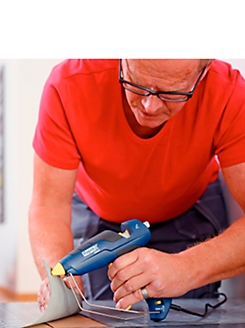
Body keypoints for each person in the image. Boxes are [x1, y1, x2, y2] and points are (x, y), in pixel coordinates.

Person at [29, 59, 245, 313]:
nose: (149, 106)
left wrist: (187, 268)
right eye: (136, 85)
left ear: (203, 74)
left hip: (189, 206)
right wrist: (59, 278)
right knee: (101, 314)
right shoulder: (68, 85)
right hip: (98, 211)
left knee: (187, 317)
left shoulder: (229, 92)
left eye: (172, 93)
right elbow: (49, 206)